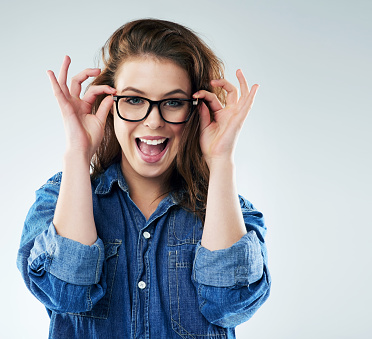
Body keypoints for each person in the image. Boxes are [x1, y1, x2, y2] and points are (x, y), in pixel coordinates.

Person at [17, 18, 271, 339]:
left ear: (196, 109)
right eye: (135, 100)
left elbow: (231, 304)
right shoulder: (57, 198)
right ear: (109, 105)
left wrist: (220, 160)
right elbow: (63, 294)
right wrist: (77, 155)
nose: (153, 121)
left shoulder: (231, 210)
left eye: (173, 102)